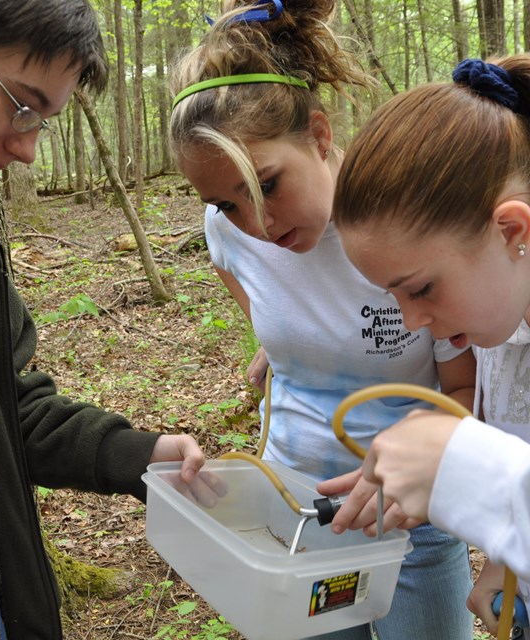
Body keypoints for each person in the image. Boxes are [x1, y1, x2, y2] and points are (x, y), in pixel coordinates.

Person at [0, 1, 209, 639]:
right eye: (21, 104)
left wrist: (137, 456)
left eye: (45, 121)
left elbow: (3, 408)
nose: (29, 149)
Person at [168, 1, 478, 638]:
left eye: (268, 185)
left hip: (409, 519)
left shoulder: (407, 227)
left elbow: (467, 392)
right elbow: (276, 332)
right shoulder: (224, 236)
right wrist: (278, 356)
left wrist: (418, 468)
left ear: (320, 134)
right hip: (296, 513)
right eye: (228, 203)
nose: (258, 224)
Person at [331, 54, 530, 637]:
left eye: (421, 288)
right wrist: (504, 555)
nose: (413, 320)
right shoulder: (501, 321)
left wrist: (466, 471)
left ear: (512, 231)